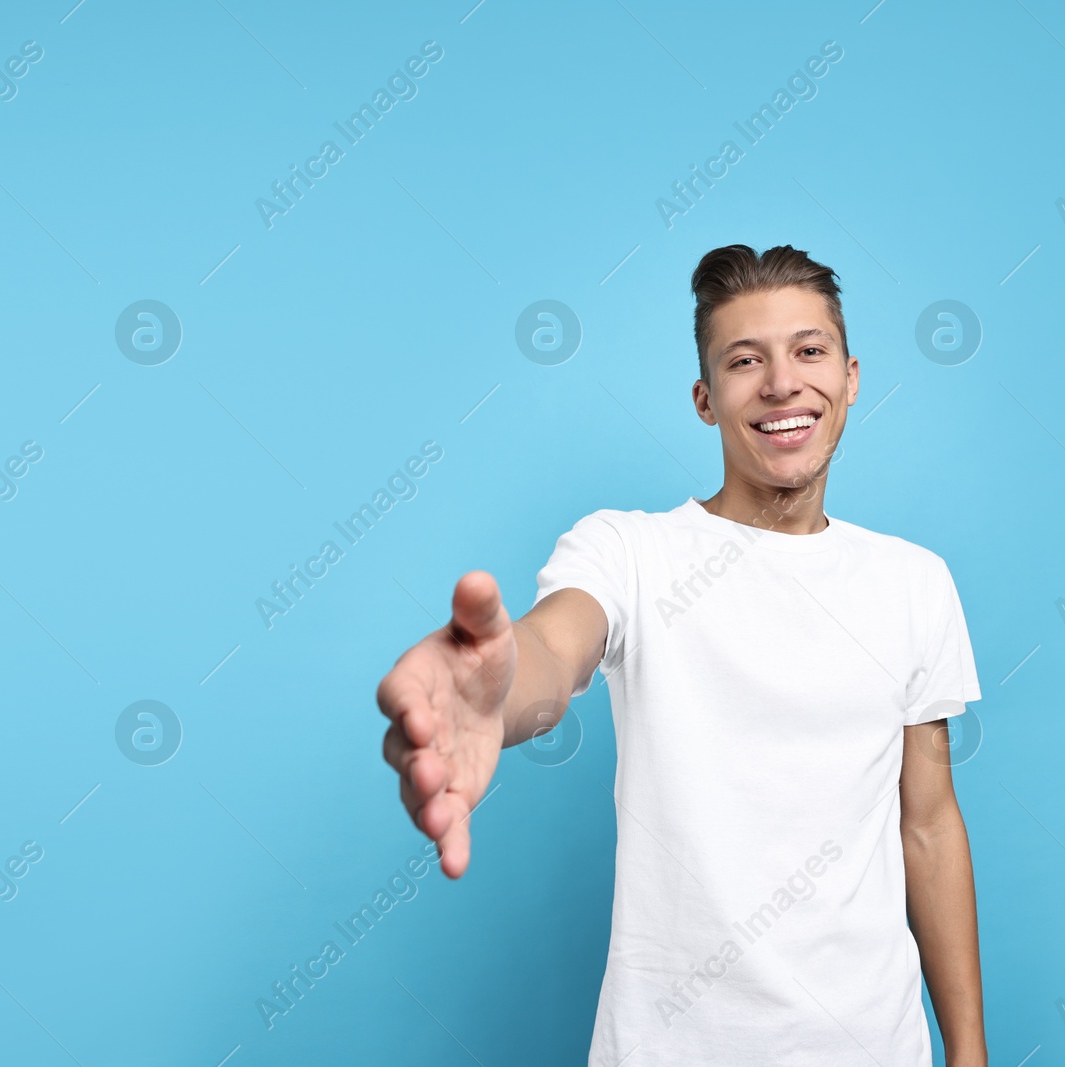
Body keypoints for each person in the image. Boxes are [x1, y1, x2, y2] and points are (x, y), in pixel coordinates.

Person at [377, 244, 988, 1066]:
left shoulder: (915, 581)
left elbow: (929, 823)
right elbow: (553, 646)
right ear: (705, 399)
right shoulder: (632, 552)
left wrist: (970, 1052)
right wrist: (492, 687)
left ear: (849, 376)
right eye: (745, 360)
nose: (781, 383)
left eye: (808, 351)